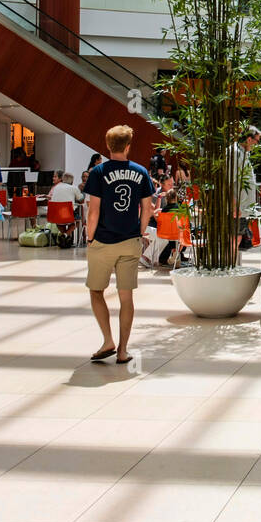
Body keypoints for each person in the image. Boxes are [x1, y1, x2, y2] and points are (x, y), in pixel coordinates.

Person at [83, 125, 154, 365]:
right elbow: (148, 208)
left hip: (102, 241)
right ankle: (123, 350)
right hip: (130, 241)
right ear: (128, 147)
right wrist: (140, 231)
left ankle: (107, 340)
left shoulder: (98, 172)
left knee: (96, 291)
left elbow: (93, 211)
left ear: (108, 146)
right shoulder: (141, 172)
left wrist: (90, 238)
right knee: (126, 297)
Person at [228, 125, 261, 252]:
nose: (256, 145)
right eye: (256, 141)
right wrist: (234, 204)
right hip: (237, 207)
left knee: (238, 236)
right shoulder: (235, 153)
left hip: (242, 206)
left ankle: (232, 265)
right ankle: (230, 266)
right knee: (235, 237)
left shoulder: (243, 153)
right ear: (249, 139)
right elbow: (228, 181)